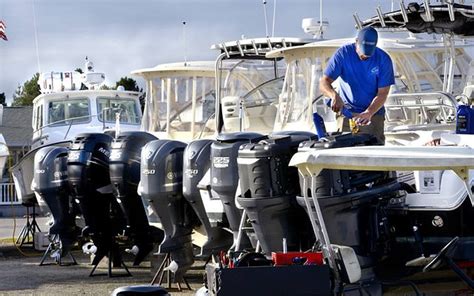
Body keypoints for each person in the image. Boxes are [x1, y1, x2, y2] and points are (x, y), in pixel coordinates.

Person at [319, 26, 395, 143]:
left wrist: (368, 113)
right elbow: (324, 82)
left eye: (368, 56)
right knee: (342, 151)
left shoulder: (383, 59)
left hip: (372, 114)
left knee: (371, 153)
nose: (364, 57)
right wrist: (334, 96)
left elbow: (383, 94)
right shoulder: (343, 54)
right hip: (346, 112)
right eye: (362, 54)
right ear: (356, 42)